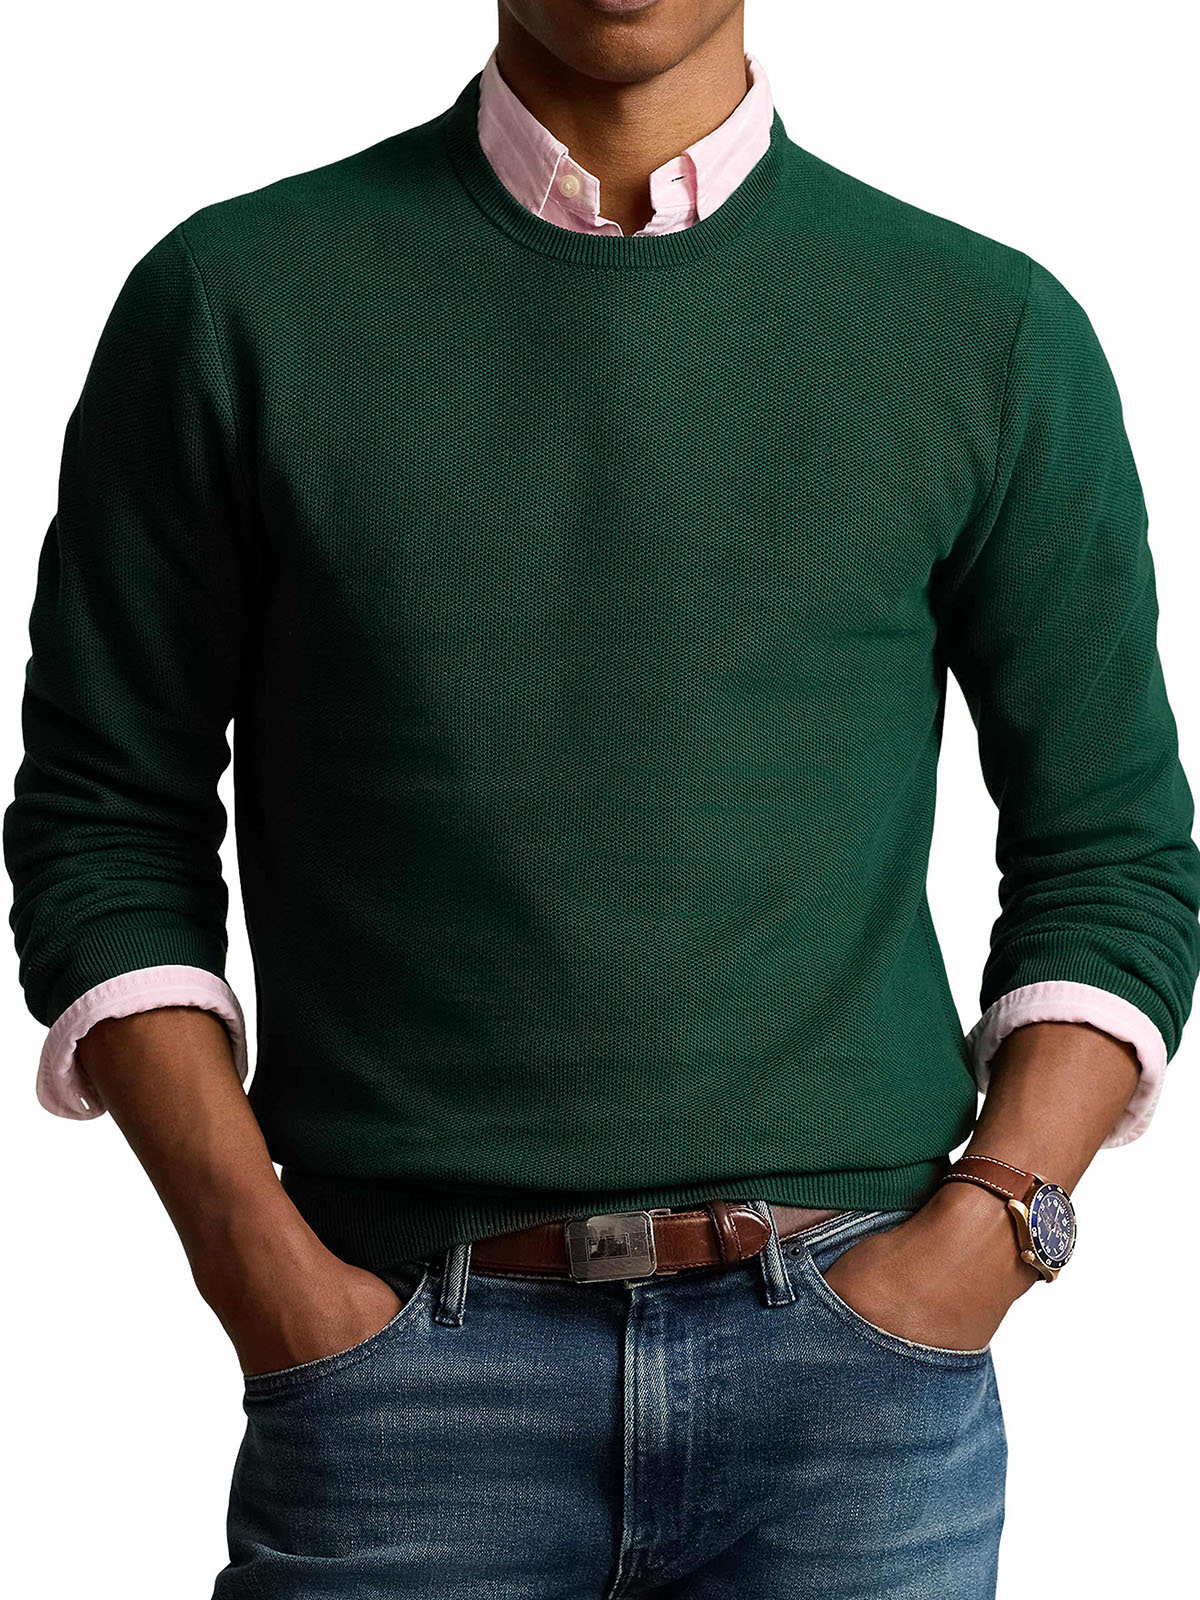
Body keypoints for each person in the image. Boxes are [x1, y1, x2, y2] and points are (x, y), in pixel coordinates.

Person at [7, 2, 1199, 1595]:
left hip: (854, 1394)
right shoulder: (235, 303)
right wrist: (253, 1262)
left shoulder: (985, 327)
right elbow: (101, 815)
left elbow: (1114, 852)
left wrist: (989, 1236)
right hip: (396, 1372)